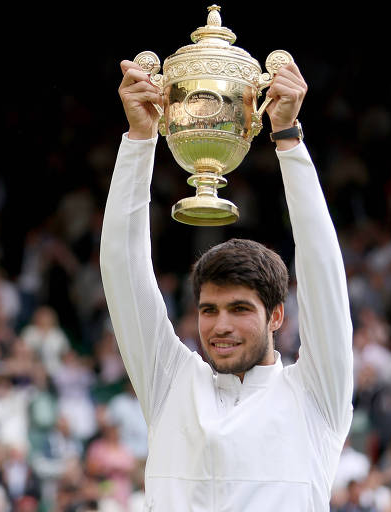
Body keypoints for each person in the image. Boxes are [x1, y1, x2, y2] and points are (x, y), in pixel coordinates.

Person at [100, 59, 353, 510]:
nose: (220, 326)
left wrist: (289, 140)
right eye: (209, 309)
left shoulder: (316, 396)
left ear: (277, 315)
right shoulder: (171, 383)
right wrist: (140, 139)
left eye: (239, 309)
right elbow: (122, 268)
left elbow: (322, 267)